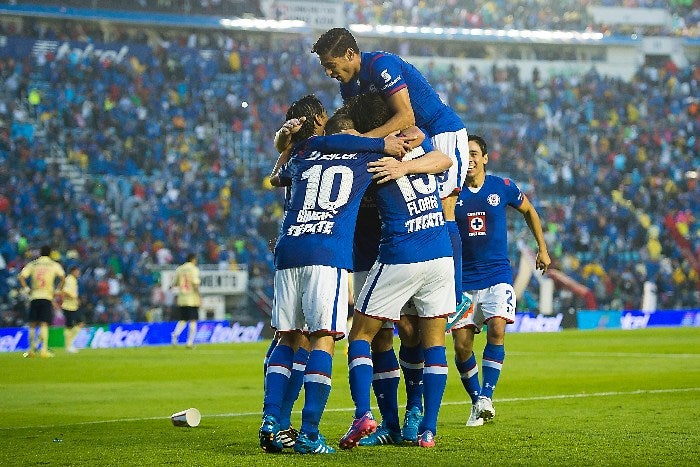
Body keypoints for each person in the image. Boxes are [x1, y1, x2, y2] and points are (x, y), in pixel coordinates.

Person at [311, 27, 472, 327]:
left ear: (349, 54)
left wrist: (366, 142)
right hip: (411, 140)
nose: (330, 73)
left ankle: (457, 296)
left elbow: (406, 116)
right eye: (325, 68)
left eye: (331, 66)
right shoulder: (350, 87)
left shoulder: (380, 65)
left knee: (444, 209)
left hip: (441, 132)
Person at [337, 96, 455, 449]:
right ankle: (415, 427)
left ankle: (373, 415)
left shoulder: (368, 156)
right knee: (406, 339)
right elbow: (445, 158)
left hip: (399, 251)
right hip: (429, 252)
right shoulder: (417, 144)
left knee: (367, 334)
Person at [451, 135, 551, 427]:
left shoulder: (503, 187)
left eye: (473, 153)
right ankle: (477, 403)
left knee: (498, 328)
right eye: (464, 153)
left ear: (484, 158)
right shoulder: (451, 191)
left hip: (497, 275)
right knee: (461, 347)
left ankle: (486, 396)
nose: (468, 158)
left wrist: (542, 248)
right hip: (463, 281)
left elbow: (529, 211)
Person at [18, 245, 66, 358]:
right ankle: (44, 351)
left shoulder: (33, 264)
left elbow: (21, 276)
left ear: (40, 253)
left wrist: (26, 289)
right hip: (47, 296)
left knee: (33, 324)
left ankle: (31, 351)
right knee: (44, 323)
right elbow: (63, 277)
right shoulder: (54, 265)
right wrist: (57, 290)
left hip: (34, 296)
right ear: (50, 254)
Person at [170, 253, 201, 349]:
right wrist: (199, 297)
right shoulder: (194, 269)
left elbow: (174, 283)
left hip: (182, 298)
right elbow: (196, 284)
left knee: (183, 319)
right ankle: (189, 343)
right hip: (192, 298)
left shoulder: (179, 269)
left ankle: (175, 335)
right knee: (193, 320)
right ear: (193, 259)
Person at [61, 266, 83, 354]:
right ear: (73, 272)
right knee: (70, 326)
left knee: (79, 324)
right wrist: (75, 298)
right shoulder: (69, 280)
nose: (78, 273)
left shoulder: (73, 280)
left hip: (73, 306)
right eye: (77, 271)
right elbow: (65, 291)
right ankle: (68, 346)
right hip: (68, 306)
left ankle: (69, 345)